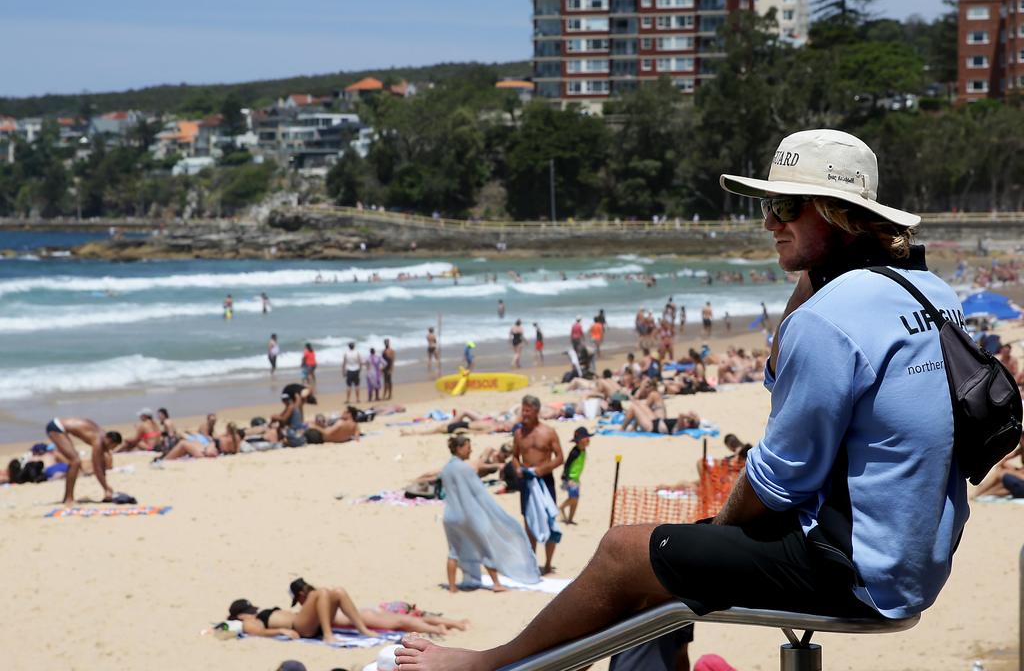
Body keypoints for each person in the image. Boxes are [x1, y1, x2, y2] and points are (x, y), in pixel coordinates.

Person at [395, 129, 971, 671]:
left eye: (787, 207)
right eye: (765, 207)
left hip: (852, 570)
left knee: (625, 550)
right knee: (660, 559)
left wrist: (712, 537)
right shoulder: (929, 291)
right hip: (914, 560)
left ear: (839, 213)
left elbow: (778, 482)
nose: (769, 222)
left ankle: (488, 664)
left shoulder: (829, 319)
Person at [439, 435, 541, 593]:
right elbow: (479, 493)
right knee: (485, 548)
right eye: (468, 446)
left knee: (453, 551)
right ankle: (496, 584)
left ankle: (452, 587)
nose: (471, 449)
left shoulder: (446, 469)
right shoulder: (465, 469)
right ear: (459, 449)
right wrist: (497, 513)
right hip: (467, 515)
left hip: (450, 516)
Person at [288, 578, 469, 635]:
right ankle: (456, 623)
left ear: (302, 595)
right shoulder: (325, 600)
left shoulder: (318, 604)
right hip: (365, 612)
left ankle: (438, 630)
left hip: (363, 618)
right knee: (409, 619)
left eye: (299, 601)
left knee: (401, 622)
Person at [511, 394, 564, 575]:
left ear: (536, 411)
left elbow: (560, 458)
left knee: (549, 520)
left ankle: (548, 564)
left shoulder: (548, 432)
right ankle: (532, 562)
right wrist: (517, 468)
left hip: (545, 481)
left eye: (527, 410)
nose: (524, 413)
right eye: (522, 409)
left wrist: (544, 468)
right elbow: (514, 456)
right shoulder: (518, 433)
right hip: (527, 482)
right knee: (529, 522)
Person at [226, 589, 379, 643]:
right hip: (300, 626)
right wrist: (281, 631)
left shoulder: (256, 616)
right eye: (250, 611)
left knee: (338, 592)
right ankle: (327, 634)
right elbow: (259, 632)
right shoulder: (249, 623)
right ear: (241, 616)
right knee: (318, 593)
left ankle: (362, 629)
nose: (254, 612)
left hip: (306, 621)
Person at [44, 417, 121, 505]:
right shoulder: (98, 441)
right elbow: (97, 468)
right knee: (75, 461)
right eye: (111, 447)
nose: (109, 450)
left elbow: (101, 464)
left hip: (60, 426)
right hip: (57, 427)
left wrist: (106, 486)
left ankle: (67, 497)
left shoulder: (102, 435)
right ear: (110, 440)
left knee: (75, 460)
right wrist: (106, 488)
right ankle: (69, 499)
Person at [559, 427, 591, 525]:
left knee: (576, 501)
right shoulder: (574, 452)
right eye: (586, 439)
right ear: (580, 441)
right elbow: (567, 465)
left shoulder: (583, 450)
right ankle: (561, 507)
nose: (588, 441)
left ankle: (570, 519)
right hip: (571, 479)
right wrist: (566, 478)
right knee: (573, 498)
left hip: (576, 478)